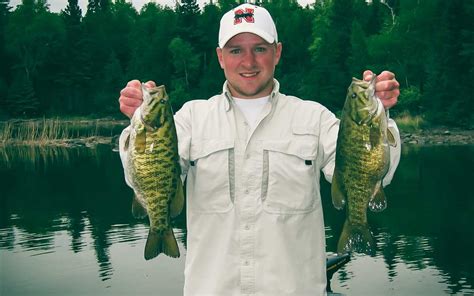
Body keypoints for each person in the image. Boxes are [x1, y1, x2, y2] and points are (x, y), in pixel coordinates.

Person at [118, 3, 401, 296]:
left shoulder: (314, 118)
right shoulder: (190, 120)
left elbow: (375, 172)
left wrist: (382, 114)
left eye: (260, 49)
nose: (248, 61)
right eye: (236, 50)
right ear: (220, 57)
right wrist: (136, 123)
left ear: (277, 52)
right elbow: (146, 175)